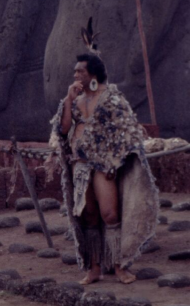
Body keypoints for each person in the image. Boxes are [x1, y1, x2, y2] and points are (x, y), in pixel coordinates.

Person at [51, 54, 159, 285]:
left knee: (109, 214)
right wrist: (69, 101)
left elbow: (126, 131)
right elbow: (63, 129)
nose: (75, 75)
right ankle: (94, 268)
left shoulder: (112, 98)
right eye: (75, 71)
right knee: (89, 216)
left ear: (93, 74)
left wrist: (115, 161)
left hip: (104, 164)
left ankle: (120, 265)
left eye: (80, 71)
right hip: (79, 165)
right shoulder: (74, 100)